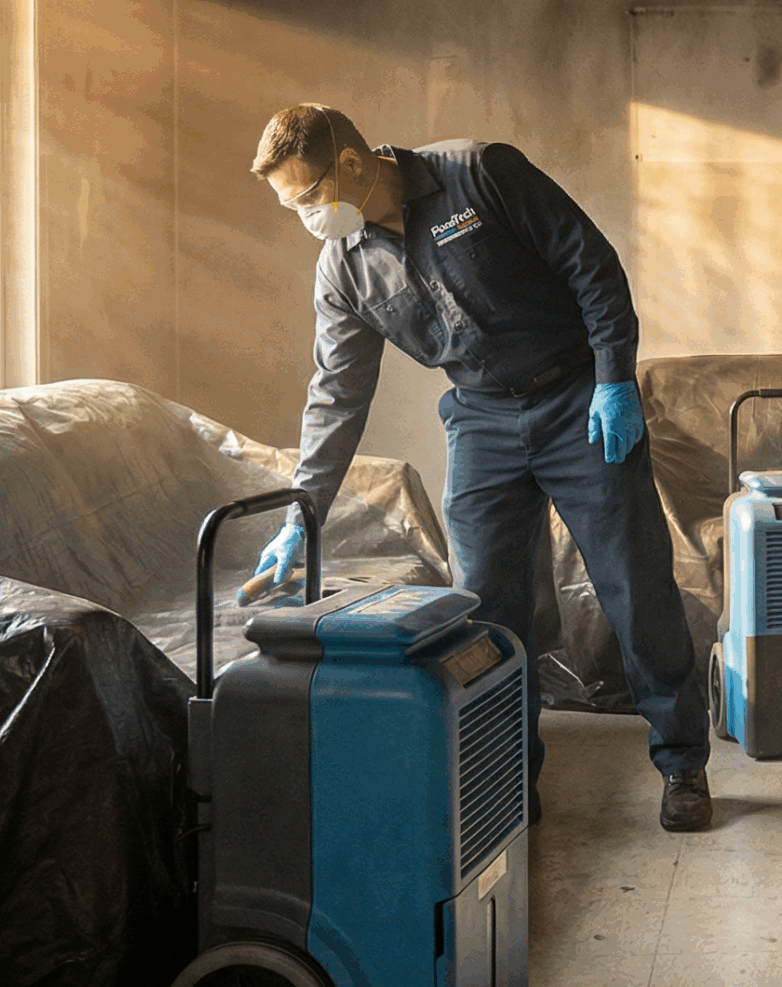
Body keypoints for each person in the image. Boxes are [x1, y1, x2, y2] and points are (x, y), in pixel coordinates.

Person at [248, 104, 712, 832]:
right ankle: (504, 777)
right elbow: (336, 394)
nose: (306, 216)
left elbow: (590, 263)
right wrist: (299, 515)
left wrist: (615, 377)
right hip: (482, 419)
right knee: (488, 610)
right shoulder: (344, 270)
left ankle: (683, 761)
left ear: (349, 164)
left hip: (576, 400)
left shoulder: (478, 173)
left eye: (307, 197)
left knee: (634, 580)